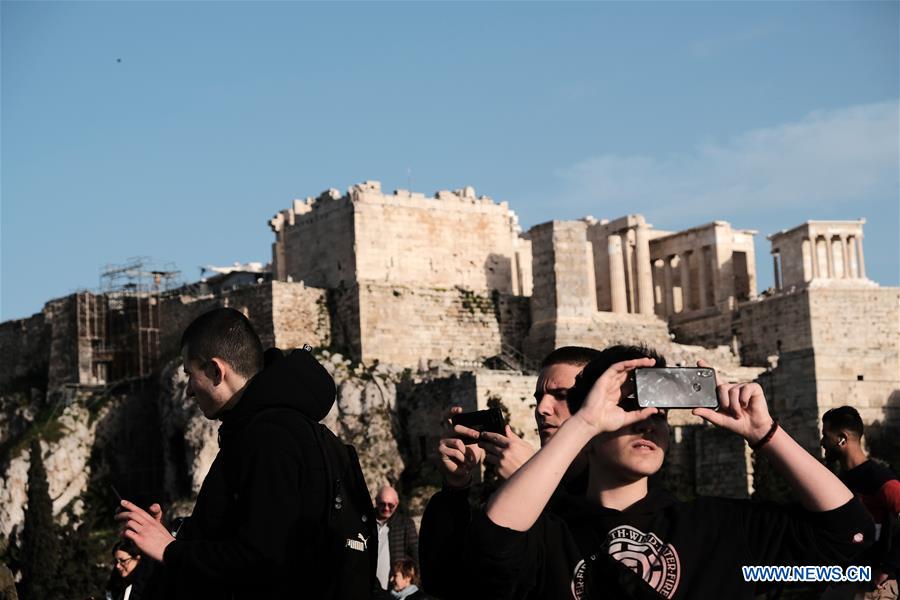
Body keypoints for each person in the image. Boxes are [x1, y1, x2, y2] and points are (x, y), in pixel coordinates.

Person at [468, 344, 875, 600]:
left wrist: (764, 433)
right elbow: (491, 545)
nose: (649, 423)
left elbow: (849, 532)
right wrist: (584, 423)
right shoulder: (550, 536)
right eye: (630, 409)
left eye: (659, 413)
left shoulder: (713, 529)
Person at [115, 307, 341, 599]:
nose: (188, 391)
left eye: (189, 374)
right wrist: (171, 538)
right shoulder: (269, 432)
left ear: (215, 371)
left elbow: (262, 558)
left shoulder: (268, 439)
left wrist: (170, 550)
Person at [419, 346, 601, 598]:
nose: (541, 408)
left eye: (560, 395)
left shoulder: (620, 490)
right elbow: (446, 581)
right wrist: (455, 488)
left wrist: (532, 481)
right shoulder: (508, 495)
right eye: (539, 397)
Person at [821, 406, 900, 600]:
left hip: (873, 586)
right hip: (844, 580)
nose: (822, 443)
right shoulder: (840, 480)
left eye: (825, 436)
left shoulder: (879, 478)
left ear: (842, 439)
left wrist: (888, 567)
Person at [376, 485, 419, 591]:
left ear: (396, 504)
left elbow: (416, 555)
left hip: (394, 588)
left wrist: (413, 583)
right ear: (376, 502)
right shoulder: (365, 522)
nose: (386, 508)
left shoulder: (406, 524)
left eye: (390, 505)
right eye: (382, 504)